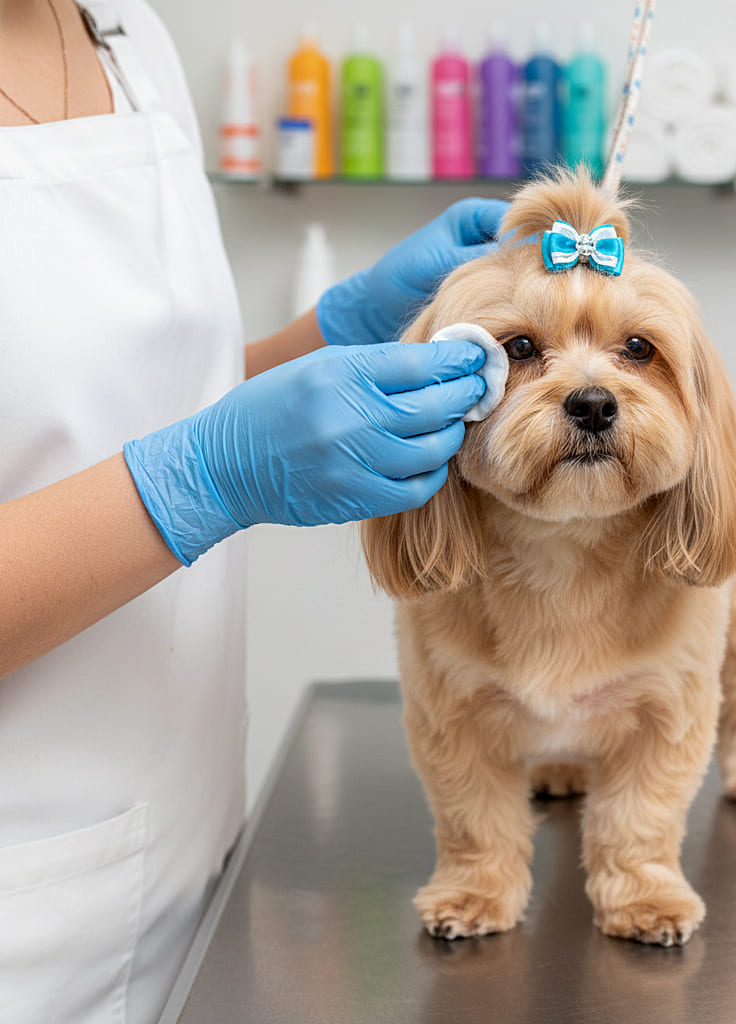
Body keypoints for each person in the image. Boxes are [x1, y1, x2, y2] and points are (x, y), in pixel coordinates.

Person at [0, 1, 508, 1021]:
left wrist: (328, 332)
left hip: (181, 872)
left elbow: (101, 408)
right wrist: (205, 477)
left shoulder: (122, 34)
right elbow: (173, 455)